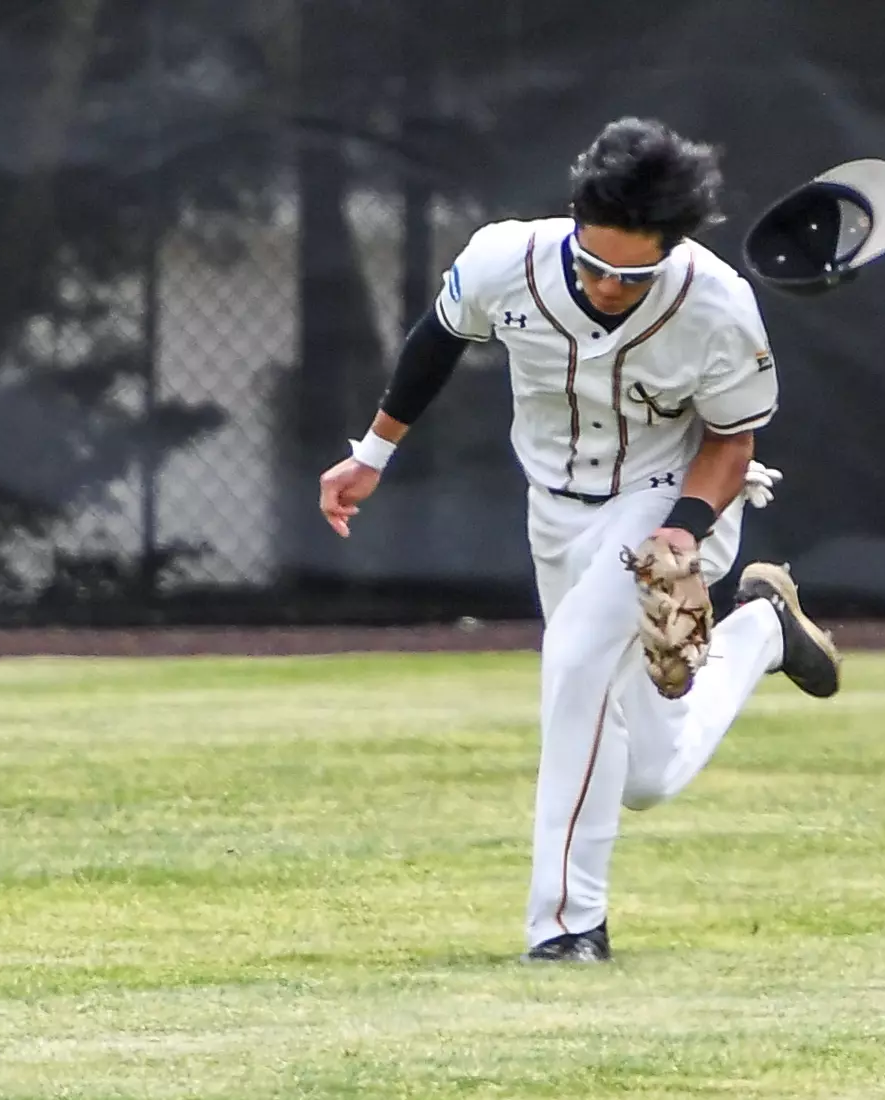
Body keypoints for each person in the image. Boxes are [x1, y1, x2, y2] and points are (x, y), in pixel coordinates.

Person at [316, 116, 842, 963]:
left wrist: (685, 532)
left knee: (572, 665)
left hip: (667, 501)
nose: (606, 286)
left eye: (631, 274)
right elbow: (439, 341)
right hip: (554, 509)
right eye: (594, 264)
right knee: (644, 775)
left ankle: (566, 927)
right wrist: (373, 453)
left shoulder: (714, 305)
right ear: (573, 217)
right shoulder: (506, 259)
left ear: (670, 250)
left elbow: (731, 441)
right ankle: (761, 633)